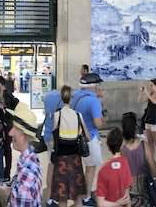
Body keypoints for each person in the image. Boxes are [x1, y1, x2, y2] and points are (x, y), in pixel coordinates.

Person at [48, 86, 88, 207]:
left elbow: (52, 138)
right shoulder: (78, 115)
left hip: (61, 161)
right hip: (75, 160)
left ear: (61, 97)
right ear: (71, 98)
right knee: (78, 197)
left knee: (62, 197)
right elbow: (88, 137)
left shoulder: (57, 115)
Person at [72, 73, 108, 205]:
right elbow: (98, 123)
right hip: (90, 138)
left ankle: (80, 195)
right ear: (93, 86)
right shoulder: (94, 101)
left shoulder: (76, 96)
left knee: (81, 168)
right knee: (91, 167)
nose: (100, 86)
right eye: (98, 84)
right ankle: (86, 197)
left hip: (75, 137)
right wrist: (103, 111)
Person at [4, 102, 42, 207]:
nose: (10, 133)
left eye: (15, 129)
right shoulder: (26, 159)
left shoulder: (28, 170)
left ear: (24, 135)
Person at [95, 127, 133, 207]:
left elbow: (100, 203)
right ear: (122, 144)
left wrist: (116, 204)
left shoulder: (103, 170)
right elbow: (127, 197)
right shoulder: (125, 163)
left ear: (108, 146)